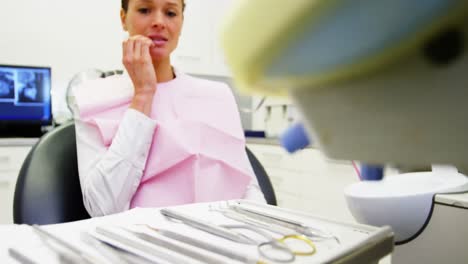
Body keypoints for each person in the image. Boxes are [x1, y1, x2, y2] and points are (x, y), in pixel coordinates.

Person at [72, 0, 266, 217]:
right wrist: (143, 94)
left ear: (182, 21)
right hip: (140, 242)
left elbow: (248, 187)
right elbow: (102, 208)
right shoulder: (93, 97)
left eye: (171, 13)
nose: (158, 22)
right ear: (123, 18)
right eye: (144, 10)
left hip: (220, 234)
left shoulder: (216, 96)